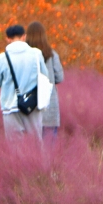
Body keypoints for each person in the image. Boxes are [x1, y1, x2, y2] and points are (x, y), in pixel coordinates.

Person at [0, 23, 46, 144]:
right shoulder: (36, 54)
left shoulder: (1, 58)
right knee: (36, 143)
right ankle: (39, 163)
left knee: (14, 146)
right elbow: (45, 77)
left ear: (7, 39)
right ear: (24, 37)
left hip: (10, 107)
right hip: (33, 105)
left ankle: (18, 164)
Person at [25, 20, 64, 149]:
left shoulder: (24, 56)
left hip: (28, 108)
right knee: (49, 148)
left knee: (30, 147)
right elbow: (60, 77)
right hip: (49, 107)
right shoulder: (52, 55)